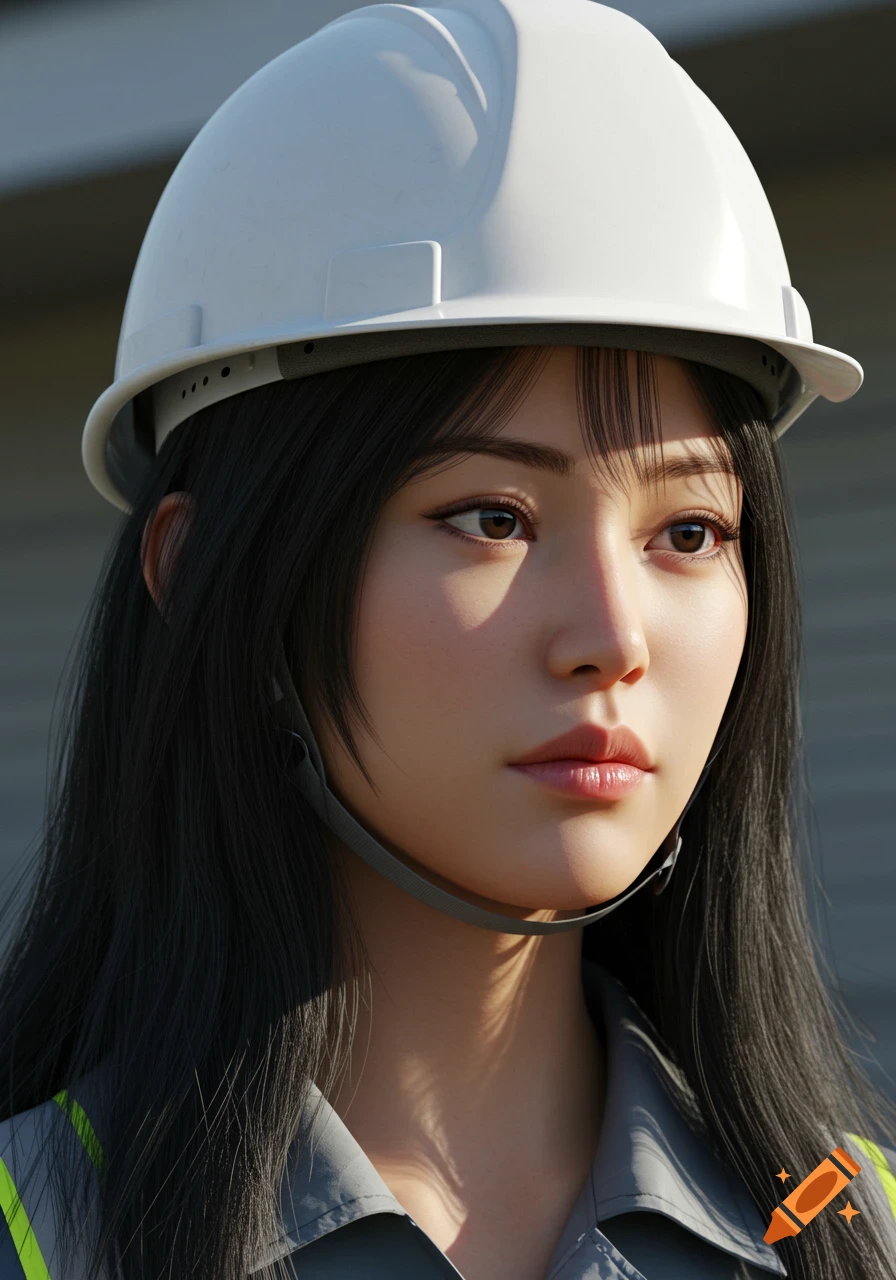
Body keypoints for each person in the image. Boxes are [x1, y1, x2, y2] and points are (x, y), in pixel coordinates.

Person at [1, 2, 894, 1278]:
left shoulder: (857, 1232)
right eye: (491, 517)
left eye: (688, 531)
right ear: (199, 575)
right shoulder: (43, 1231)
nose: (611, 638)